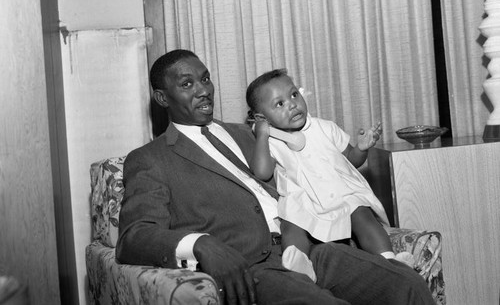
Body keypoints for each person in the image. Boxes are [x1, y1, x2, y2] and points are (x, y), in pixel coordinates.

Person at [116, 49, 435, 305]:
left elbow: (316, 158)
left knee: (407, 286)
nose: (203, 90)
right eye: (187, 84)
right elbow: (134, 236)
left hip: (314, 248)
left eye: (205, 79)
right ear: (162, 98)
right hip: (254, 268)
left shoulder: (252, 131)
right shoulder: (151, 159)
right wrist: (201, 244)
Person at [246, 68, 413, 281]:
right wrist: (262, 135)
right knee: (292, 220)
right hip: (305, 198)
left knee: (361, 212)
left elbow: (351, 160)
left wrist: (361, 148)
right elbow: (261, 172)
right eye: (279, 104)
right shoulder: (272, 142)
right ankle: (299, 263)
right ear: (262, 118)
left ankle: (390, 259)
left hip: (340, 191)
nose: (292, 104)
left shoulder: (325, 128)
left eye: (294, 94)